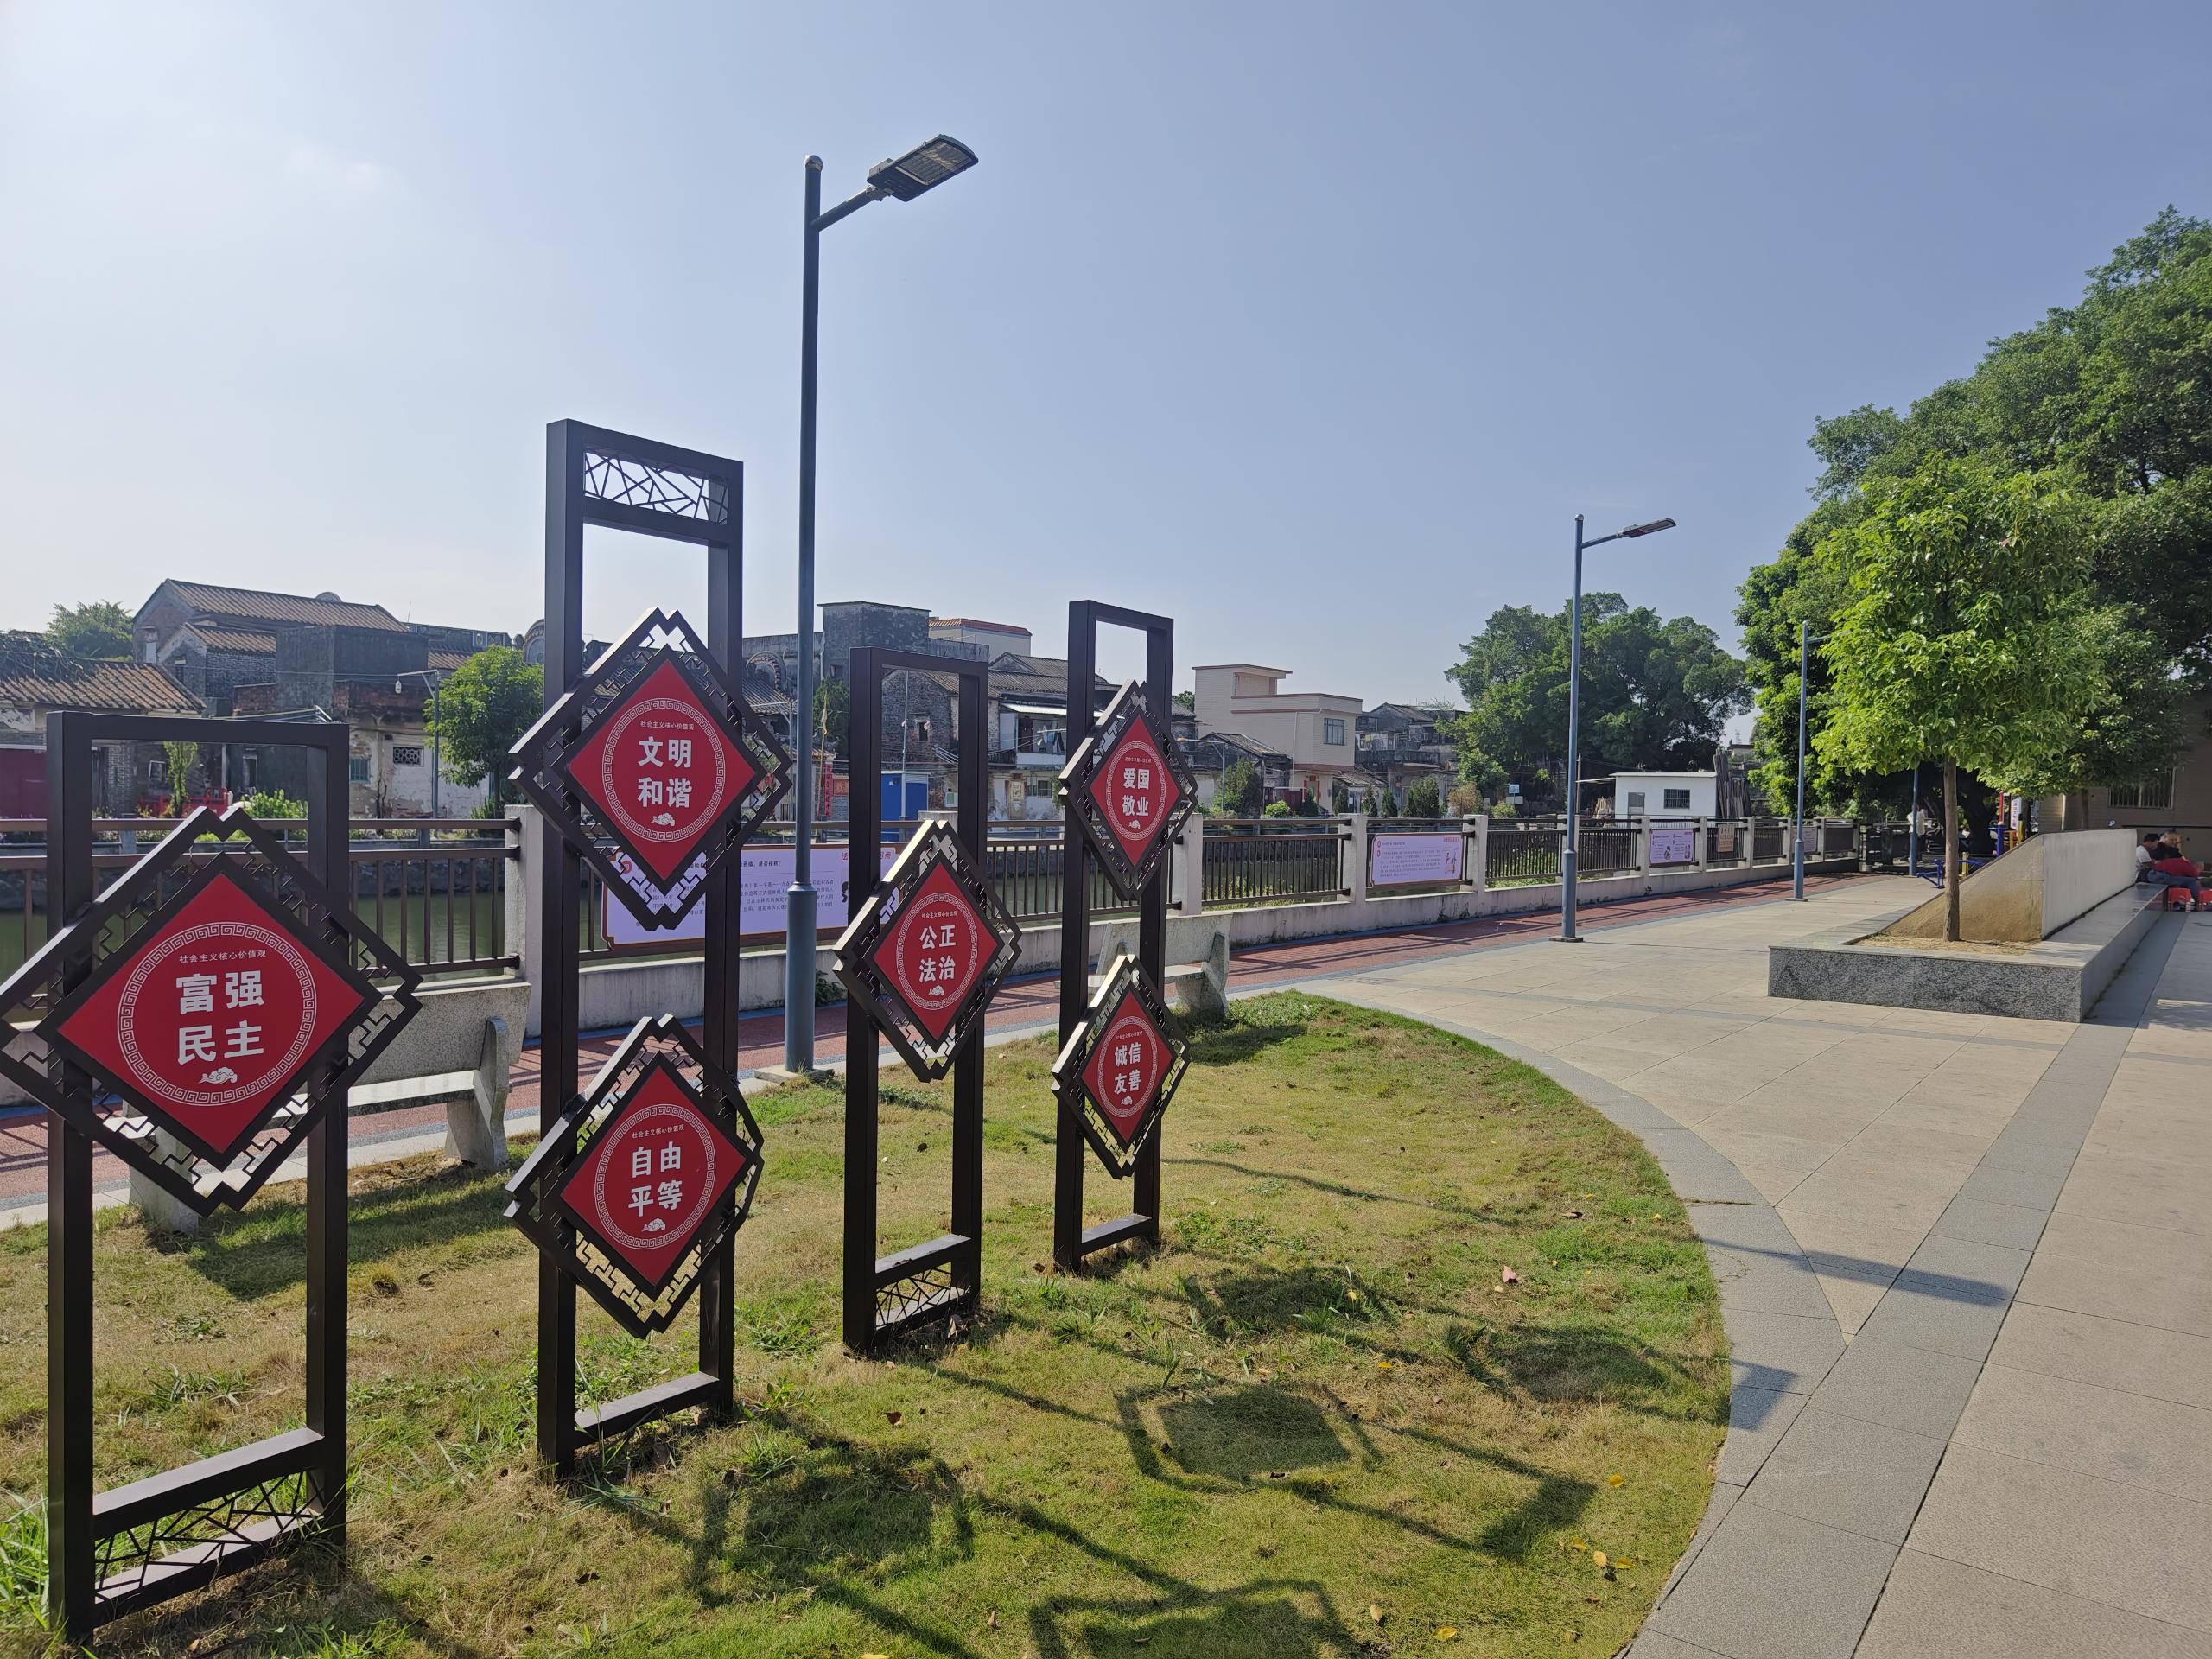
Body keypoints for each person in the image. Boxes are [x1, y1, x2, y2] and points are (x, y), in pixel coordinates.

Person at [2145, 840, 2206, 908]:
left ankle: (2177, 900)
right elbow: (2196, 881)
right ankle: (2199, 902)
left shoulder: (2170, 861)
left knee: (2179, 880)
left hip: (2152, 875)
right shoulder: (2187, 865)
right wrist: (2201, 891)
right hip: (2162, 876)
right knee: (2191, 881)